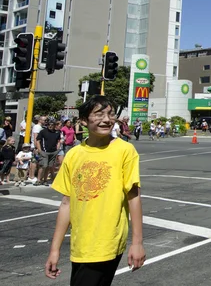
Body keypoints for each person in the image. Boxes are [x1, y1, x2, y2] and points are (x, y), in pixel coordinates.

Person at [45, 95, 145, 285]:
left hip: (106, 242)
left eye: (110, 114)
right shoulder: (74, 154)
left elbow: (134, 197)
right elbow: (66, 203)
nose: (106, 119)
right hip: (80, 245)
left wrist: (137, 243)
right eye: (99, 114)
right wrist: (54, 250)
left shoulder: (125, 150)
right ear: (83, 120)